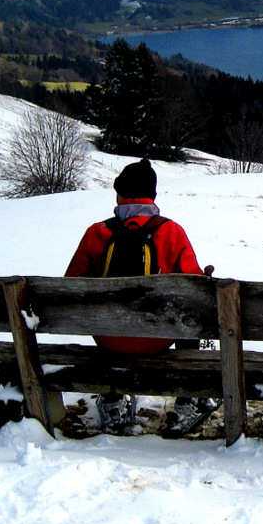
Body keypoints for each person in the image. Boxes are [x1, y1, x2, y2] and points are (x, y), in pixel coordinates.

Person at [65, 159, 213, 433]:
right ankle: (189, 397)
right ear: (152, 197)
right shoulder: (171, 232)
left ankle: (112, 399)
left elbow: (70, 288)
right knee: (188, 309)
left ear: (120, 195)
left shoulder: (97, 233)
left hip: (108, 340)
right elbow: (195, 292)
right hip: (156, 341)